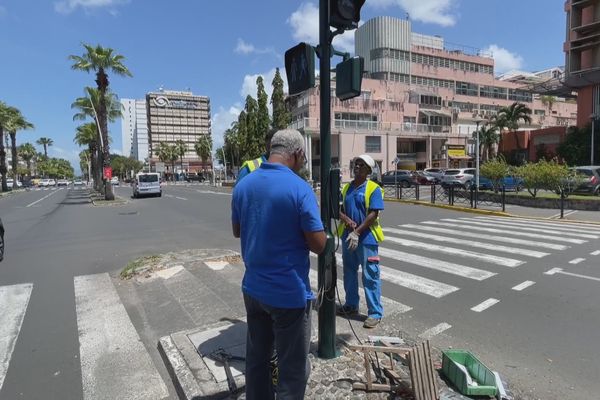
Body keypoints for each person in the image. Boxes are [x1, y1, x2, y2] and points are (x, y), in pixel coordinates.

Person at [231, 129, 327, 400]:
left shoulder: (244, 185)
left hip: (253, 290)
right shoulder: (299, 188)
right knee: (292, 370)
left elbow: (238, 230)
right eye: (303, 157)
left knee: (257, 361)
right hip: (288, 295)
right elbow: (318, 245)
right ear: (296, 154)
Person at [336, 154, 385, 329]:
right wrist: (347, 221)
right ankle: (351, 305)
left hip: (366, 238)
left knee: (370, 275)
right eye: (356, 164)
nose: (357, 167)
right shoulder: (346, 188)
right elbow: (338, 209)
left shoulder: (373, 189)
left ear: (368, 171)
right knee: (349, 272)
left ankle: (375, 313)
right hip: (349, 237)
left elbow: (373, 214)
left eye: (361, 165)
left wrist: (357, 231)